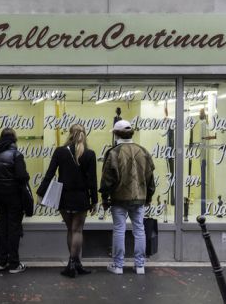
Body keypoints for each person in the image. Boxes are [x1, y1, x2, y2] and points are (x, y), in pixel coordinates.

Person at [37, 123, 98, 277]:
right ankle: (75, 262)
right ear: (84, 134)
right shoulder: (90, 154)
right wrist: (94, 200)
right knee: (78, 230)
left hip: (64, 197)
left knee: (70, 230)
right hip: (82, 198)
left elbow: (50, 173)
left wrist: (40, 193)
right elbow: (92, 180)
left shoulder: (60, 152)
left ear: (69, 134)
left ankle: (72, 263)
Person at [99, 119, 156, 275]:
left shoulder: (114, 152)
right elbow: (150, 177)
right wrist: (149, 197)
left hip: (119, 198)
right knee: (139, 230)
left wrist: (105, 198)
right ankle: (140, 266)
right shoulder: (143, 151)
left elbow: (106, 180)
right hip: (139, 198)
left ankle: (118, 266)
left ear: (116, 134)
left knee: (119, 230)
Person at [0, 128, 30, 274]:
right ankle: (14, 264)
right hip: (14, 197)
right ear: (14, 139)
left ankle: (2, 262)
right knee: (14, 228)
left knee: (1, 228)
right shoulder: (16, 155)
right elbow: (22, 177)